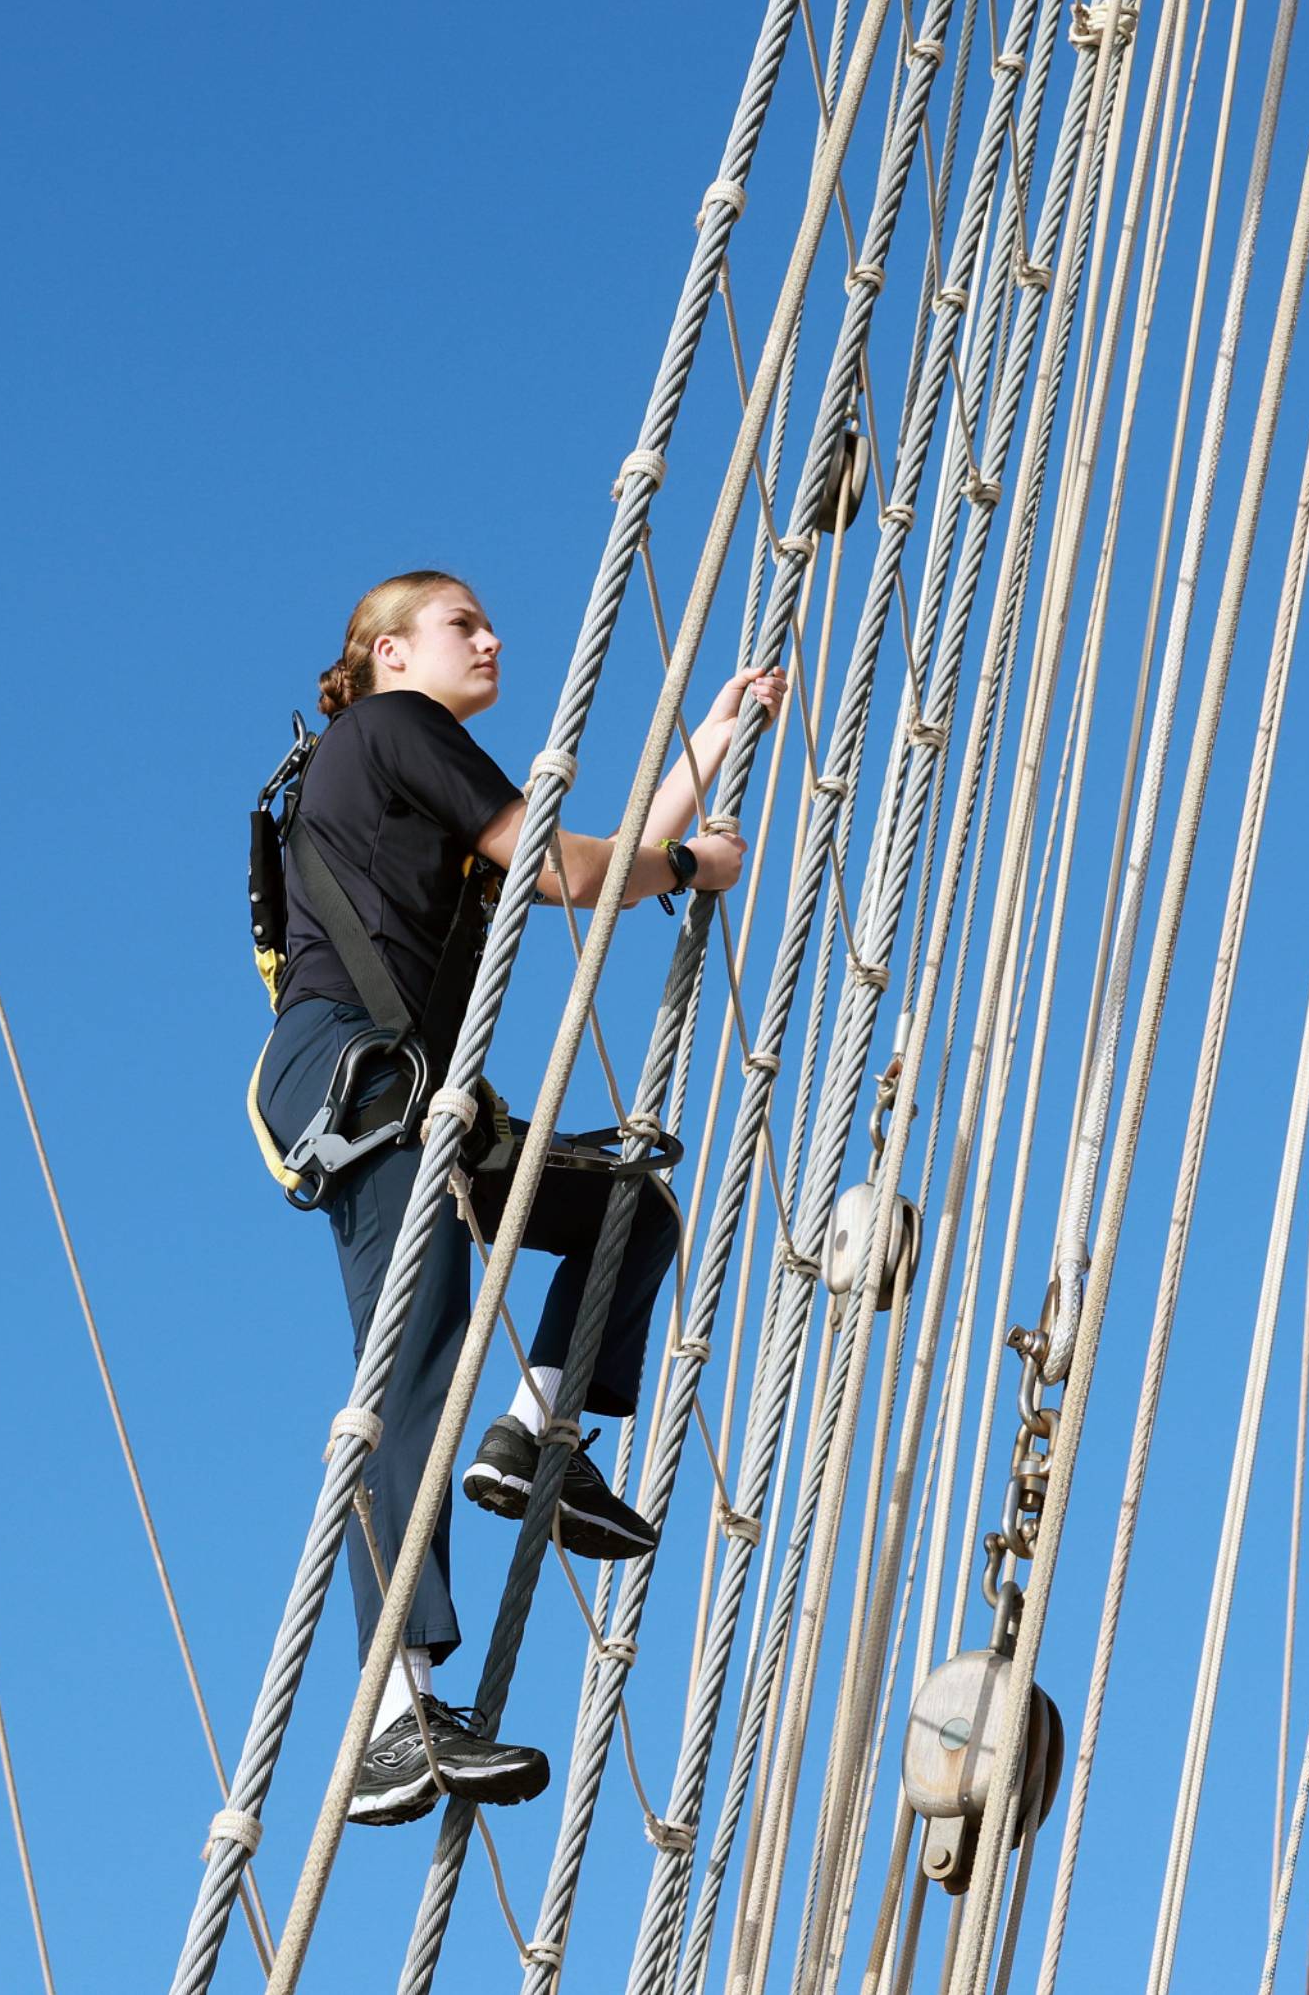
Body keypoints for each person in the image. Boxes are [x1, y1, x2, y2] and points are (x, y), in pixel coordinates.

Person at [255, 570, 783, 1827]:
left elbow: (595, 866)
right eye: (460, 624)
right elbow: (584, 872)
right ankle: (393, 1721)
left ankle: (538, 1432)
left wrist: (713, 737)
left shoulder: (418, 783)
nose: (493, 637)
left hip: (426, 1094)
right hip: (365, 1083)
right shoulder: (397, 732)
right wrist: (697, 865)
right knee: (416, 1358)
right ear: (386, 654)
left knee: (625, 1215)